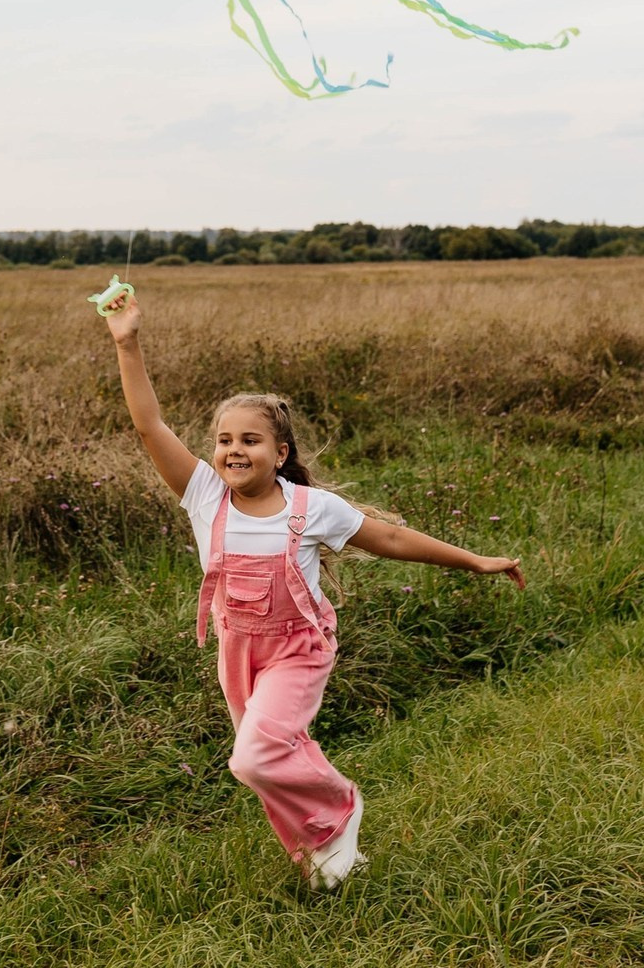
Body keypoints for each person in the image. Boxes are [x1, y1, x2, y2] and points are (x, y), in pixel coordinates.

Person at [102, 291, 525, 891]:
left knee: (254, 756)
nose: (232, 450)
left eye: (250, 440)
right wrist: (127, 343)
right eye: (224, 439)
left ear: (280, 453)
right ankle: (325, 858)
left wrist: (475, 561)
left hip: (298, 648)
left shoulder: (311, 508)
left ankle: (339, 810)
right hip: (237, 653)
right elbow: (148, 424)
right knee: (265, 763)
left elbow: (393, 540)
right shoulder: (204, 496)